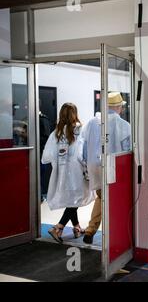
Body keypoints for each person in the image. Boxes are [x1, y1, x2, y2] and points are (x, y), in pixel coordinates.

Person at [82, 92, 131, 244]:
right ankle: (114, 235)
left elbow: (83, 147)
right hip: (113, 166)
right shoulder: (123, 124)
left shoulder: (91, 122)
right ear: (118, 107)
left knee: (102, 197)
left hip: (94, 166)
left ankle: (91, 230)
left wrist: (87, 164)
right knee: (115, 200)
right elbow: (127, 149)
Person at [42, 103, 95, 243]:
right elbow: (82, 153)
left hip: (62, 173)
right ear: (74, 113)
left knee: (73, 199)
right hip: (77, 171)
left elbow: (46, 157)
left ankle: (77, 227)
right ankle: (58, 227)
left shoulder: (57, 132)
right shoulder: (79, 129)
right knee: (76, 198)